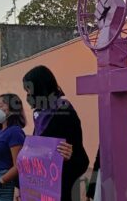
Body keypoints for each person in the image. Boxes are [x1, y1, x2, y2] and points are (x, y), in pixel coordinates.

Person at [22, 65, 89, 201]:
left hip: (59, 188)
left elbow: (79, 157)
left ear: (40, 87)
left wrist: (70, 156)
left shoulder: (63, 111)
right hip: (40, 187)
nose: (27, 96)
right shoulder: (40, 115)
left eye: (29, 91)